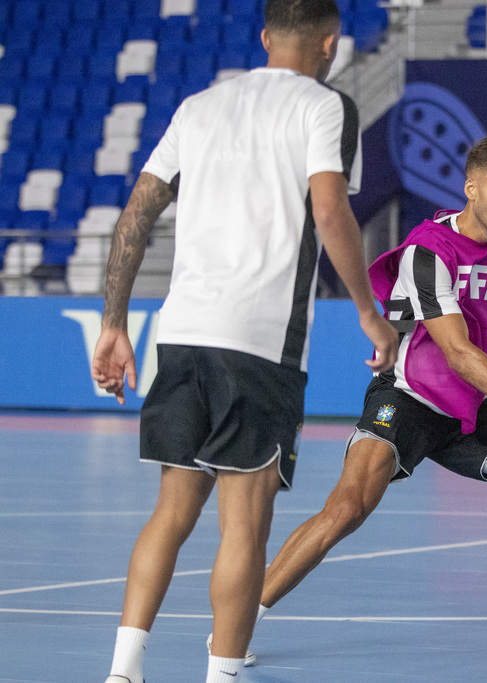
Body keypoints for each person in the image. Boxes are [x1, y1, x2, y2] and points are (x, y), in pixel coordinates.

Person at [92, 2, 398, 681]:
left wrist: (114, 322)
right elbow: (328, 208)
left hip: (182, 332)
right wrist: (369, 313)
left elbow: (136, 213)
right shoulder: (325, 106)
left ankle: (122, 669)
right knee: (245, 523)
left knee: (172, 510)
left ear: (264, 37)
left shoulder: (199, 106)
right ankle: (223, 672)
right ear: (332, 41)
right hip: (259, 342)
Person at [247, 136, 487, 658]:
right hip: (410, 394)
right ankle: (240, 619)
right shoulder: (428, 251)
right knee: (347, 508)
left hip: (470, 404)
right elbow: (456, 351)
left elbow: (478, 345)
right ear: (470, 188)